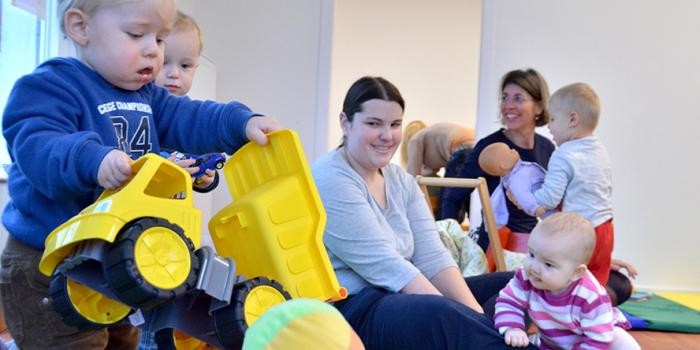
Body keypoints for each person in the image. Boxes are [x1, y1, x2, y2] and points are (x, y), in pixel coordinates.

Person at [0, 1, 280, 348]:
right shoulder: (48, 86)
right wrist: (94, 159)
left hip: (117, 257)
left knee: (124, 341)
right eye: (136, 34)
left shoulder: (147, 96)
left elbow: (190, 117)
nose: (153, 51)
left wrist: (240, 123)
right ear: (80, 27)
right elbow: (38, 147)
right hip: (47, 261)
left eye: (161, 39)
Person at [311, 76, 537, 349]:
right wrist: (463, 318)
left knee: (525, 285)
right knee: (443, 315)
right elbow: (387, 268)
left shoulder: (400, 180)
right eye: (373, 123)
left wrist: (475, 315)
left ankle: (486, 335)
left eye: (395, 124)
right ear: (345, 123)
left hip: (404, 296)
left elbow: (432, 257)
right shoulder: (330, 178)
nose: (387, 135)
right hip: (357, 308)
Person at [440, 68, 555, 252]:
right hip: (495, 244)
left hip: (533, 243)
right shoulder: (490, 147)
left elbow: (557, 205)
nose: (508, 105)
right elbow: (453, 197)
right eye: (504, 97)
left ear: (539, 106)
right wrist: (449, 245)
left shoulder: (547, 147)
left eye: (518, 98)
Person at [494, 212, 639, 349]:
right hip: (552, 341)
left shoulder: (590, 296)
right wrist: (513, 328)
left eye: (548, 264)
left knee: (622, 343)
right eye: (531, 254)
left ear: (576, 273)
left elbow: (598, 338)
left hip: (597, 340)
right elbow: (509, 301)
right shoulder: (527, 277)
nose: (534, 268)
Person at [531, 82, 614, 285]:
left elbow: (550, 198)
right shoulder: (599, 150)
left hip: (579, 233)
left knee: (568, 285)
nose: (548, 126)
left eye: (552, 119)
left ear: (572, 119)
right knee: (595, 287)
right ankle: (597, 314)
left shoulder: (564, 154)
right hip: (605, 229)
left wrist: (529, 200)